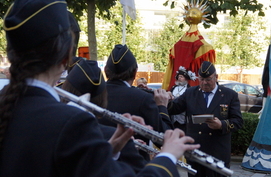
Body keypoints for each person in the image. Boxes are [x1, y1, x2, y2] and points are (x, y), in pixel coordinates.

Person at [0, 0, 200, 176]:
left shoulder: (9, 104)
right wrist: (167, 156)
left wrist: (109, 151)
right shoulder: (70, 122)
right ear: (66, 56)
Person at [62, 56, 147, 173]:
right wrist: (166, 157)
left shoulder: (47, 124)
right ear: (102, 97)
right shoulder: (104, 134)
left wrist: (110, 150)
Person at [168, 61, 243, 177]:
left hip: (217, 151)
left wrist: (221, 125)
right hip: (196, 151)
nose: (204, 83)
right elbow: (174, 108)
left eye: (208, 79)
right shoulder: (190, 93)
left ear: (216, 77)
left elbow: (238, 121)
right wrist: (164, 100)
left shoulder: (229, 95)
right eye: (201, 79)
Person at [99, 44, 174, 161]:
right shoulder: (143, 98)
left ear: (105, 71)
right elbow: (164, 139)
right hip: (132, 168)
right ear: (135, 72)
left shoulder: (94, 93)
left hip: (98, 164)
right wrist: (162, 106)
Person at [170, 66, 196, 132]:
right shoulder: (174, 88)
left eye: (181, 77)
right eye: (179, 76)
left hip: (183, 117)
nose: (179, 78)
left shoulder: (189, 89)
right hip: (173, 117)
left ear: (186, 79)